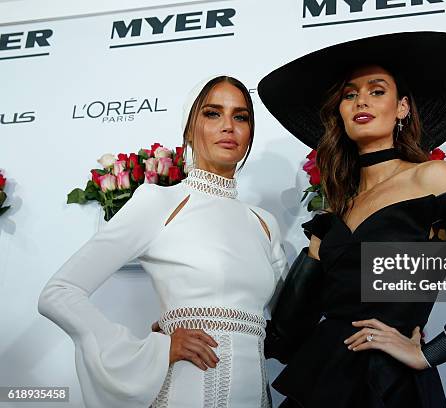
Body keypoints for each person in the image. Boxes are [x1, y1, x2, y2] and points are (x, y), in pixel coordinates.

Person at [258, 32, 446, 407]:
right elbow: (287, 332)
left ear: (403, 108)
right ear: (340, 113)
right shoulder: (334, 211)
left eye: (377, 90)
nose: (361, 99)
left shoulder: (430, 179)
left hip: (390, 386)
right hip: (321, 381)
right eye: (349, 94)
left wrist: (437, 350)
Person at [38, 75, 286, 408]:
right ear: (188, 128)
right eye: (213, 114)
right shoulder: (159, 202)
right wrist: (154, 350)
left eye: (240, 116)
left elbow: (288, 324)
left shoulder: (264, 223)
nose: (228, 126)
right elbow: (58, 293)